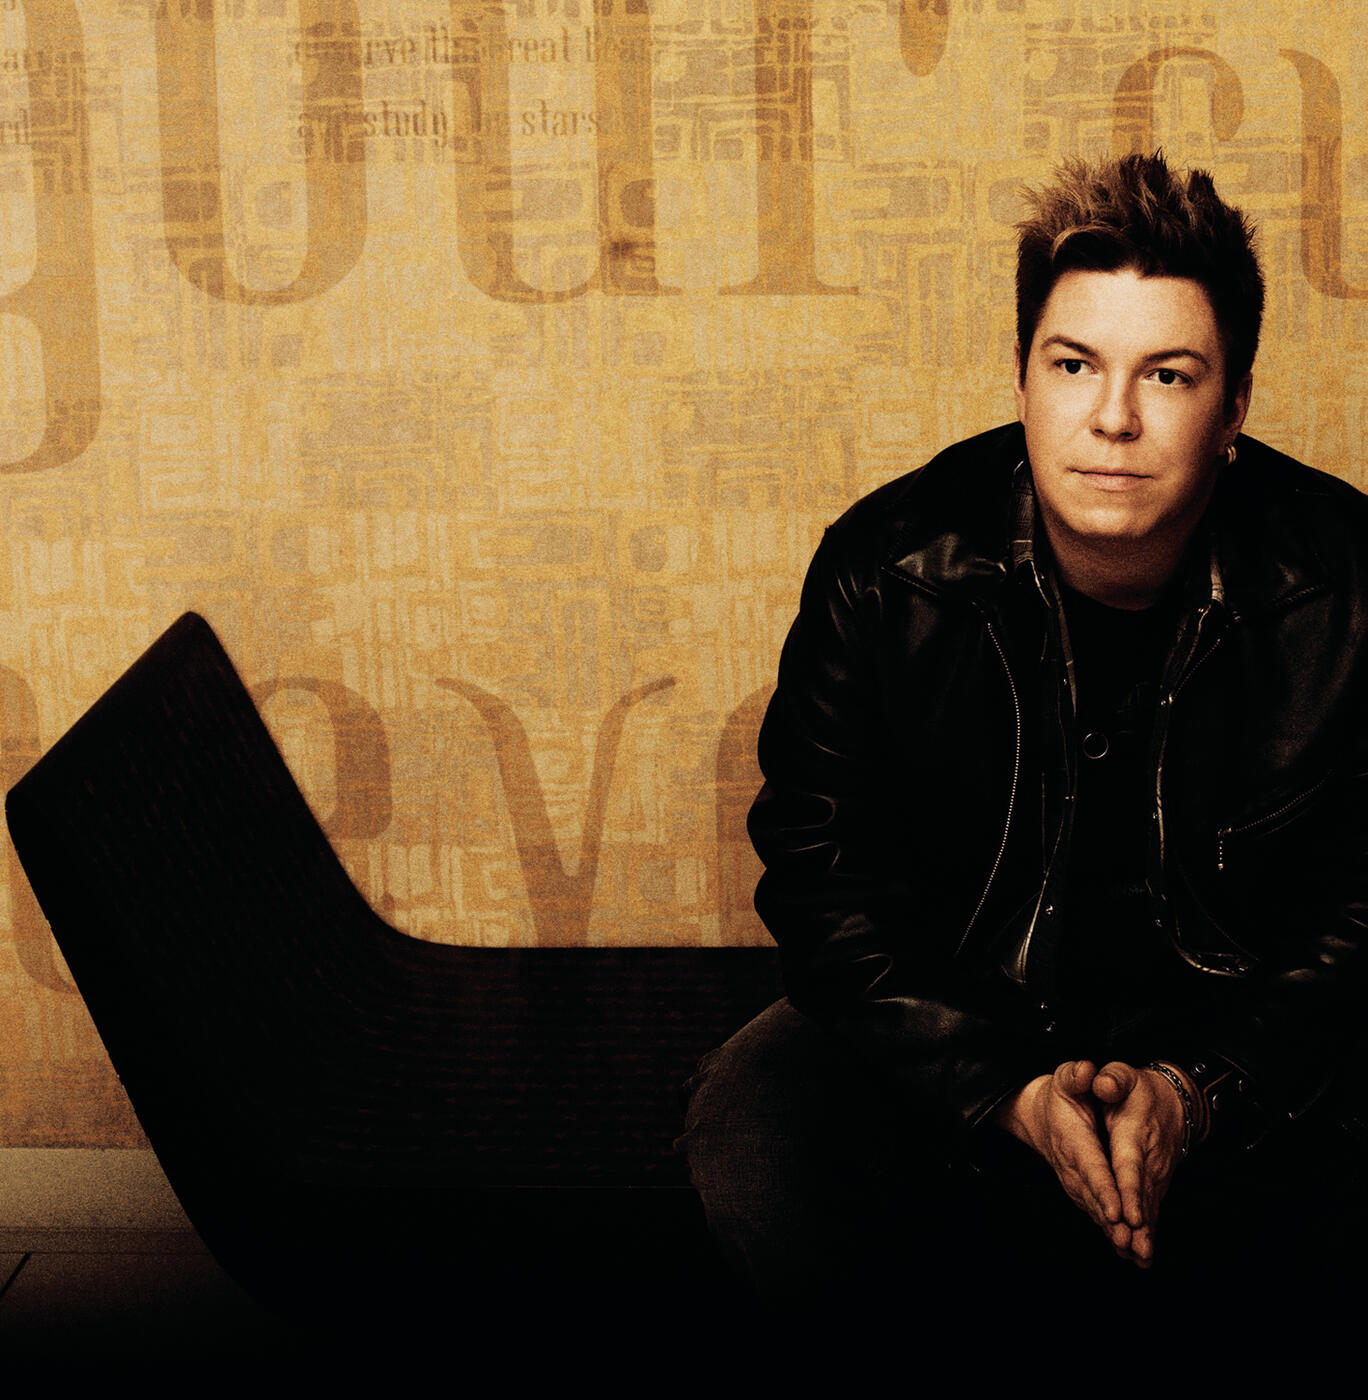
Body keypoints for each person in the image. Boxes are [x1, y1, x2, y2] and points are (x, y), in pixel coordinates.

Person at [681, 151, 1368, 1325]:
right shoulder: (887, 572)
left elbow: (1358, 911)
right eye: (1074, 364)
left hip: (1239, 1038)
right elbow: (823, 880)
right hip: (966, 1016)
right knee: (751, 1114)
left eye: (1168, 373)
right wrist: (1002, 1089)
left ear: (1235, 407)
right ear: (1020, 377)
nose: (1114, 417)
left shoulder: (1346, 587)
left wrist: (1196, 1091)